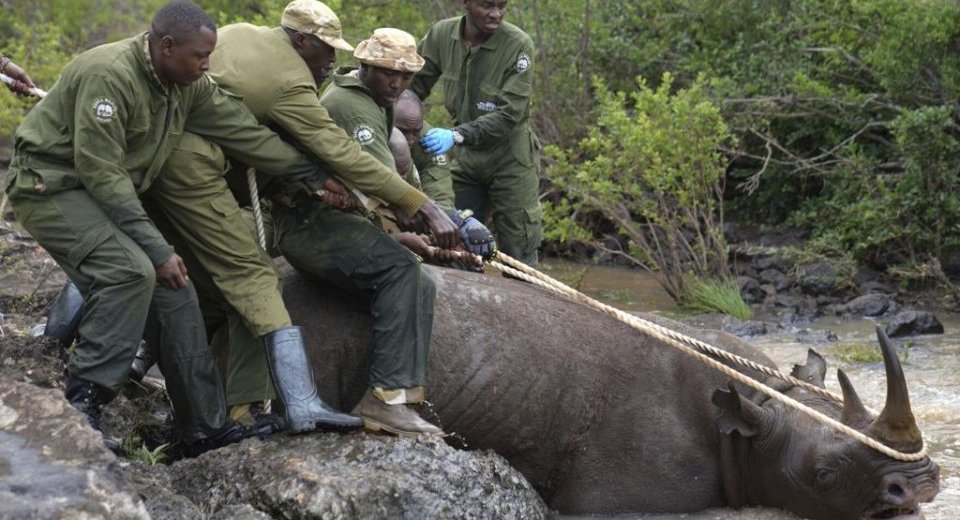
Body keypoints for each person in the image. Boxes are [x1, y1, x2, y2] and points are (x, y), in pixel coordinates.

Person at [2, 1, 321, 455]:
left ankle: (203, 428)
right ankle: (83, 402)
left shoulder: (184, 82)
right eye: (200, 56)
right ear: (165, 46)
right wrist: (157, 248)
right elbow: (103, 176)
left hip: (101, 194)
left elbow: (244, 132)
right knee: (131, 271)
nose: (208, 65)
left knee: (178, 292)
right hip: (50, 186)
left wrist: (314, 172)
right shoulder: (109, 75)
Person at [206, 1, 457, 436]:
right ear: (302, 42)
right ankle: (388, 399)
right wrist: (424, 208)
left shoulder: (242, 34)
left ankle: (241, 407)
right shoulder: (313, 91)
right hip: (296, 215)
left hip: (277, 193)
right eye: (327, 50)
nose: (331, 60)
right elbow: (350, 161)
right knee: (404, 275)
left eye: (405, 76)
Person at [411, 0, 543, 266]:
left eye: (502, 6)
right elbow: (411, 87)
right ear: (466, 3)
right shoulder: (441, 35)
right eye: (487, 6)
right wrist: (406, 126)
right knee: (452, 236)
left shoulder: (518, 44)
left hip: (510, 159)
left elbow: (509, 115)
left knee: (520, 249)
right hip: (467, 160)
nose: (496, 14)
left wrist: (455, 135)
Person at [394, 90, 496, 260]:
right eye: (403, 131)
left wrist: (458, 221)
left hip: (416, 213)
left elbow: (439, 192)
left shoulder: (429, 140)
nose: (411, 140)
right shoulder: (372, 131)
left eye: (415, 132)